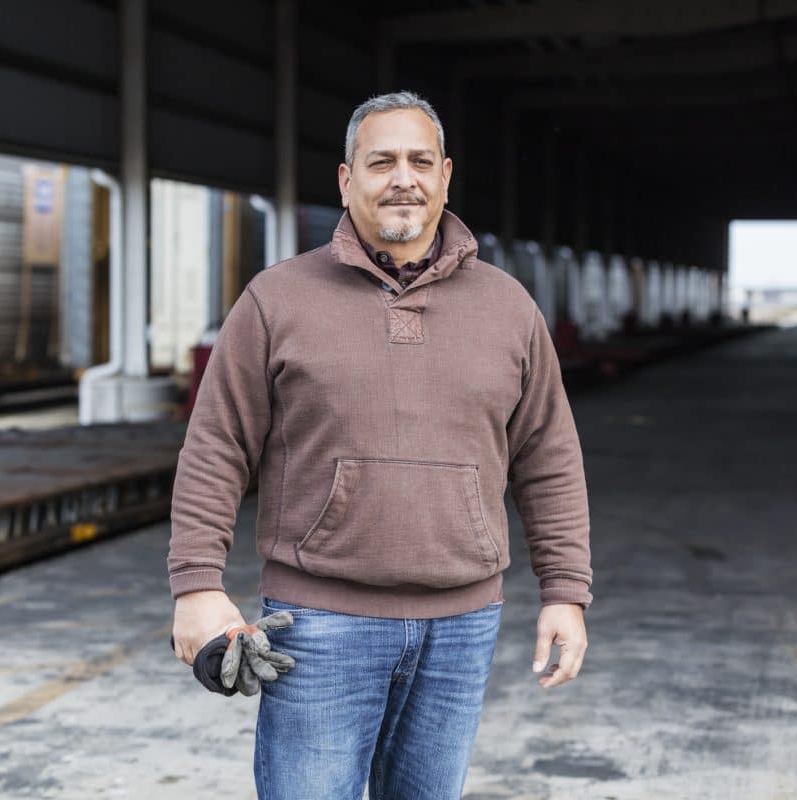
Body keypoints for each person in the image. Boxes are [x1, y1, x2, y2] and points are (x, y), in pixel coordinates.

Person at [167, 91, 593, 799]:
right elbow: (215, 447)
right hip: (318, 626)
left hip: (462, 628)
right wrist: (197, 587)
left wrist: (565, 593)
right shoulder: (277, 300)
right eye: (382, 161)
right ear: (346, 179)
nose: (405, 178)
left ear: (446, 176)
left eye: (421, 161)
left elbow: (549, 458)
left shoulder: (508, 307)